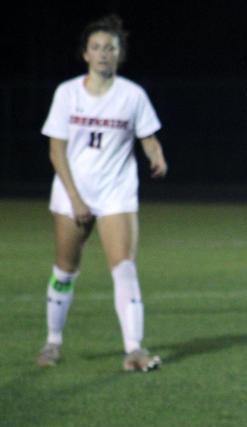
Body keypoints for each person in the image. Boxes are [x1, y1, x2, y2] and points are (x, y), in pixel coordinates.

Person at [37, 13, 167, 371]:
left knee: (124, 268)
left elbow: (149, 138)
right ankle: (53, 341)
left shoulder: (132, 95)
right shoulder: (67, 93)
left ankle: (134, 350)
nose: (103, 53)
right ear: (86, 54)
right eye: (96, 47)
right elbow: (56, 151)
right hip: (71, 194)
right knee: (64, 271)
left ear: (119, 53)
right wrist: (76, 199)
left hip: (116, 193)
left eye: (110, 47)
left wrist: (157, 157)